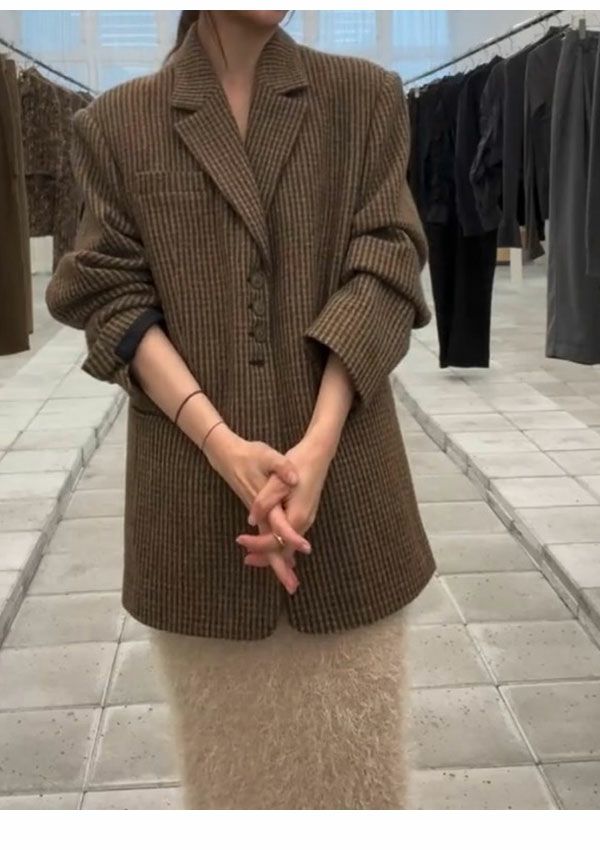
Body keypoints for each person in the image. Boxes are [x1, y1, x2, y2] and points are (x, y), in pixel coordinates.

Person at [45, 9, 436, 810]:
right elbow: (109, 294)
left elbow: (386, 265)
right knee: (229, 791)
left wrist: (317, 447)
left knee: (359, 788)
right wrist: (221, 442)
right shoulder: (117, 124)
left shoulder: (364, 98)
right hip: (196, 521)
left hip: (349, 504)